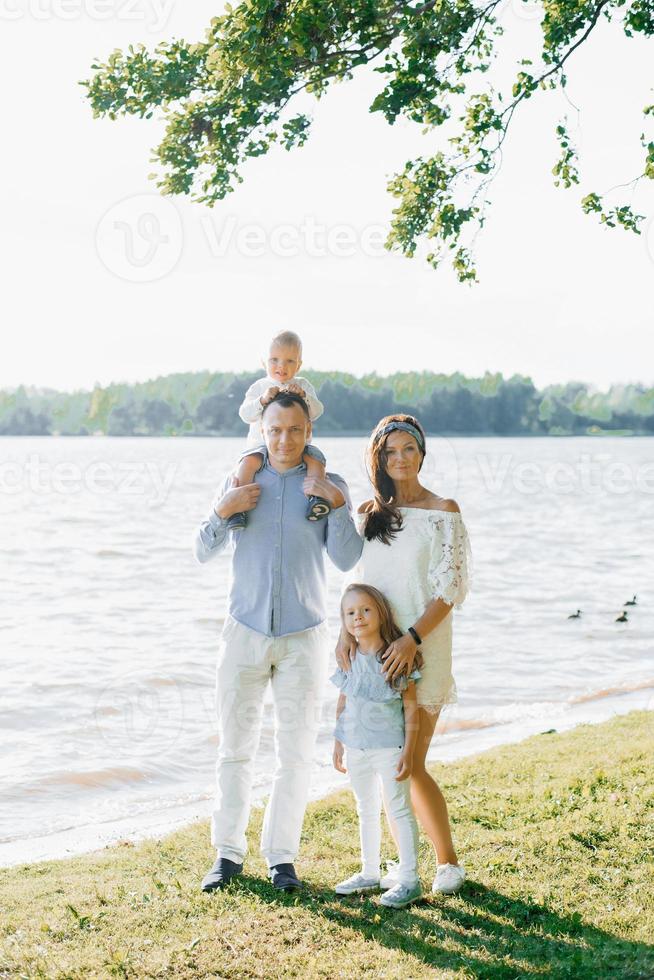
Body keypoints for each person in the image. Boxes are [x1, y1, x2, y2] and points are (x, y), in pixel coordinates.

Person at [194, 390, 363, 894]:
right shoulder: (241, 480)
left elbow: (347, 558)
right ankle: (226, 855)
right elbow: (203, 550)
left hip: (302, 638)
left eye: (294, 430)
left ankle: (281, 860)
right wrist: (223, 510)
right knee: (234, 749)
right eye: (275, 431)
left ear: (308, 432)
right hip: (243, 633)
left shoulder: (330, 485)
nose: (284, 439)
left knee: (293, 754)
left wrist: (334, 503)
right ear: (262, 433)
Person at [336, 415, 472, 896]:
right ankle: (404, 863)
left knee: (410, 763)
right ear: (379, 458)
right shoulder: (372, 513)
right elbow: (362, 588)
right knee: (390, 767)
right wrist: (346, 633)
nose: (399, 459)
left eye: (407, 450)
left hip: (422, 649)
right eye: (389, 452)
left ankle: (447, 864)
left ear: (421, 453)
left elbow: (450, 588)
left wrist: (411, 638)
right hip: (376, 658)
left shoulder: (443, 511)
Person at [331, 584, 423, 909]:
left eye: (365, 610)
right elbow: (343, 700)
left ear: (380, 613)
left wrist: (409, 752)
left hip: (389, 748)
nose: (358, 617)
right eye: (350, 612)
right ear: (343, 620)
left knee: (398, 809)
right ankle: (369, 872)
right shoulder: (348, 655)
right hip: (355, 747)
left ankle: (410, 880)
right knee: (365, 808)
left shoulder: (393, 656)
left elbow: (411, 708)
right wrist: (338, 742)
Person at [228, 330, 331, 529]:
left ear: (299, 365)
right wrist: (262, 400)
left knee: (316, 460)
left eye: (290, 361)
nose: (281, 366)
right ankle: (238, 509)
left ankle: (316, 500)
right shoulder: (259, 387)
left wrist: (304, 397)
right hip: (260, 446)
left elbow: (317, 411)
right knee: (247, 464)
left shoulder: (302, 385)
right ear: (263, 362)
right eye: (274, 360)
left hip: (298, 448)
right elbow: (245, 414)